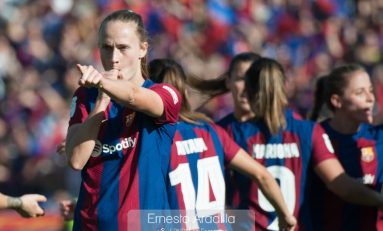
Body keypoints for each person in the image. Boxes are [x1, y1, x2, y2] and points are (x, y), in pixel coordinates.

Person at [198, 57, 383, 230]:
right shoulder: (308, 131)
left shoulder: (229, 133)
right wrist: (379, 199)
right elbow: (341, 185)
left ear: (250, 91)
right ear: (285, 88)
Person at [65, 10, 181, 231]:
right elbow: (76, 160)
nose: (114, 58)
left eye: (123, 48)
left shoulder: (164, 94)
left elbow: (133, 96)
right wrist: (101, 100)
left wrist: (103, 83)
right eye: (106, 48)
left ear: (143, 49)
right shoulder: (86, 96)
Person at [148, 58, 296, 230]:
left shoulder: (154, 139)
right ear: (186, 93)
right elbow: (262, 175)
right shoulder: (212, 131)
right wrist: (286, 215)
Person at [309, 64, 383, 230]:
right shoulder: (314, 136)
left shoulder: (378, 137)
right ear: (337, 101)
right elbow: (344, 188)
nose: (370, 98)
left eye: (371, 90)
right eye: (360, 92)